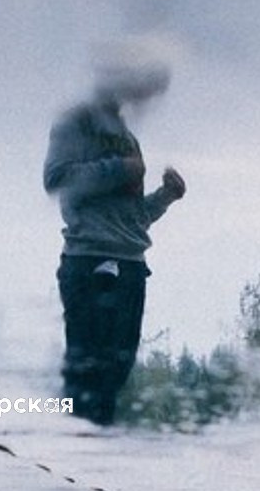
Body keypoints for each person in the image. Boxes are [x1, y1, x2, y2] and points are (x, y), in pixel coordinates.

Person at [42, 59, 186, 425]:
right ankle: (71, 456)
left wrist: (166, 196)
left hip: (132, 264)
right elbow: (56, 178)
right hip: (88, 259)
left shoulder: (125, 134)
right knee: (86, 373)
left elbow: (132, 217)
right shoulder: (76, 122)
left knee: (116, 371)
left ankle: (90, 464)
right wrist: (118, 170)